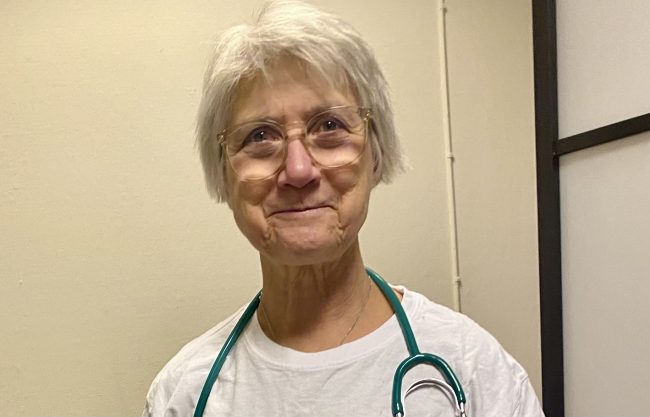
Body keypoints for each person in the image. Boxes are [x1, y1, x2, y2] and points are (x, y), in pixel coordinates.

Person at [142, 1, 545, 416]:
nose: (298, 170)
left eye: (329, 126)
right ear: (224, 174)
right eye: (260, 135)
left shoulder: (474, 368)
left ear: (376, 154)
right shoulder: (184, 393)